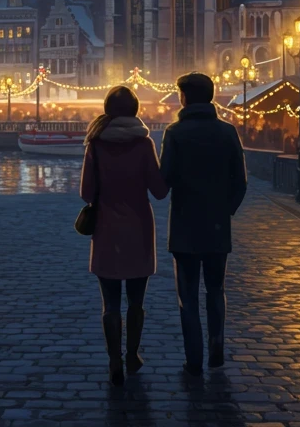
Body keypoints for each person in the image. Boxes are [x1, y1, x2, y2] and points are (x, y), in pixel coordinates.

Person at [159, 72, 247, 377]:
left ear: (185, 98)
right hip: (217, 227)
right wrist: (224, 212)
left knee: (188, 297)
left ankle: (194, 359)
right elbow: (241, 182)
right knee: (215, 289)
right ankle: (217, 350)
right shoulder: (227, 132)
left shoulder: (175, 133)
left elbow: (164, 182)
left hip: (184, 227)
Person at [79, 86, 168, 386]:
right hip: (139, 229)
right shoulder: (144, 144)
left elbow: (85, 192)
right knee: (136, 302)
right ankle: (132, 354)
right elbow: (158, 191)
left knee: (110, 304)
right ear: (135, 110)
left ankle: (113, 359)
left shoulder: (96, 143)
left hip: (106, 229)